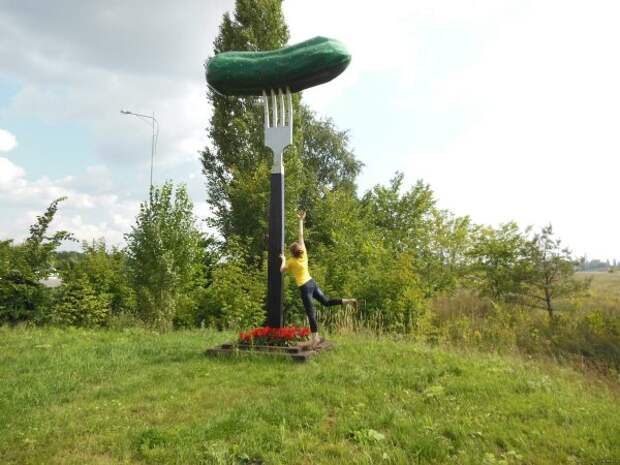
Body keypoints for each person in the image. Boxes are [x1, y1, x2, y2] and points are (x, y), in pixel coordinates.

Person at [280, 211, 357, 347]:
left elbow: (281, 270)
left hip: (304, 288)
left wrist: (283, 259)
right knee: (326, 302)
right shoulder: (304, 253)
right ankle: (348, 301)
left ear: (291, 252)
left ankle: (315, 338)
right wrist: (300, 220)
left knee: (311, 313)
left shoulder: (291, 261)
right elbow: (301, 235)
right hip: (312, 283)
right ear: (299, 249)